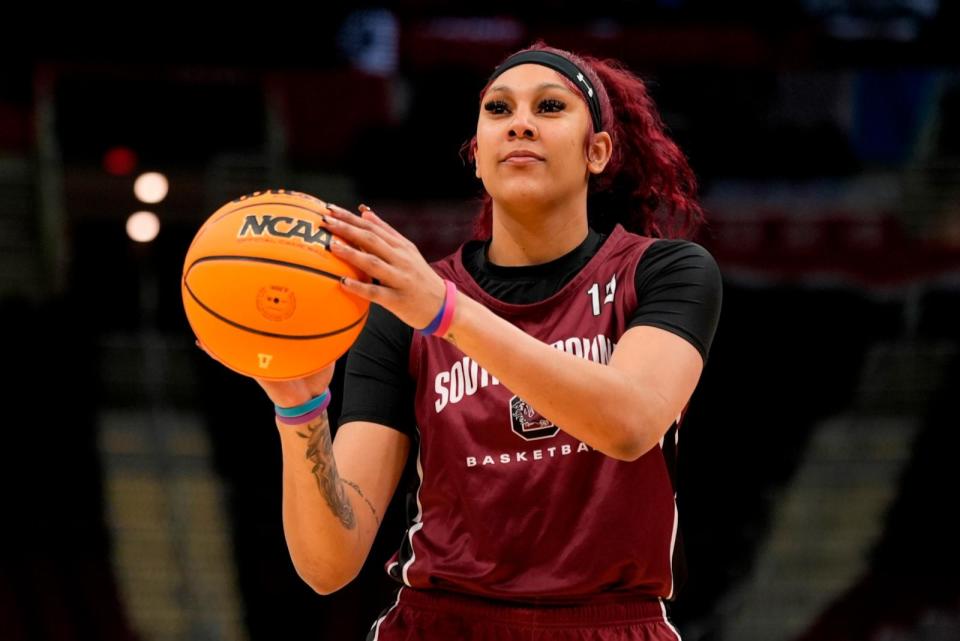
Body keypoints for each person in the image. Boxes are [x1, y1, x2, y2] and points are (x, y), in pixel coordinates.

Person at [206, 42, 722, 640]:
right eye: (499, 110)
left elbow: (630, 423)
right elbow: (328, 565)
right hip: (442, 623)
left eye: (550, 107)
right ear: (477, 157)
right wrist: (298, 409)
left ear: (597, 152)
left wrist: (446, 313)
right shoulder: (404, 311)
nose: (520, 122)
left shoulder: (666, 272)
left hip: (609, 622)